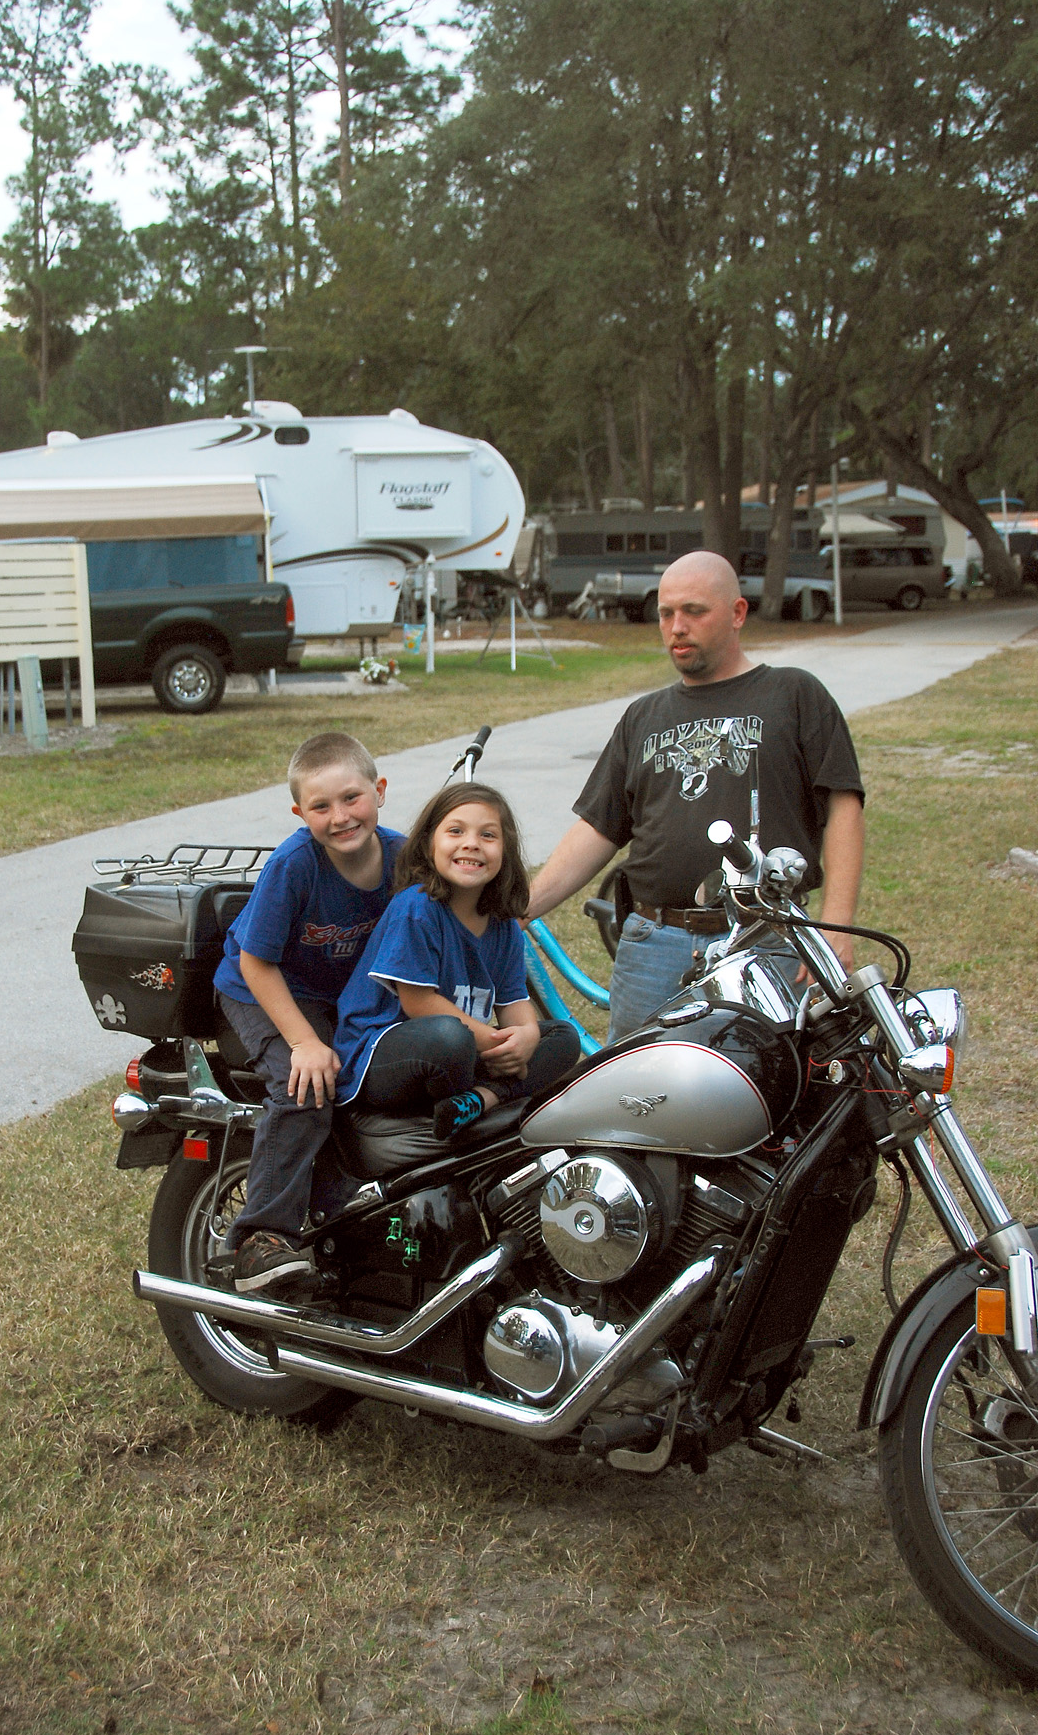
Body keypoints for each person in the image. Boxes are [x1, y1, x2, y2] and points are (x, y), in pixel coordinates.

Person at [528, 550, 866, 1043]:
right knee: (638, 1093)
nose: (677, 626)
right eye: (666, 613)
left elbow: (844, 809)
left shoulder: (794, 694)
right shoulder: (643, 717)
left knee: (769, 1090)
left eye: (694, 611)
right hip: (651, 943)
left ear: (737, 613)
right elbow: (599, 828)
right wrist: (523, 907)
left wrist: (837, 927)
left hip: (767, 938)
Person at [213, 732, 403, 1294]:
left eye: (352, 798)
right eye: (321, 806)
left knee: (377, 1080)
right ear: (300, 813)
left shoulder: (403, 857)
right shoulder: (296, 864)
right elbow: (255, 962)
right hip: (263, 992)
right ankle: (260, 1237)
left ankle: (337, 1217)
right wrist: (303, 1042)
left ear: (381, 791)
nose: (341, 817)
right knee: (310, 1083)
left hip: (342, 996)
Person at [332, 784, 581, 1132]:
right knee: (451, 1038)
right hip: (383, 1055)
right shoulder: (416, 909)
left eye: (488, 835)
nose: (471, 843)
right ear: (428, 842)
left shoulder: (503, 923)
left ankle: (481, 1098)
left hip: (466, 1049)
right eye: (455, 831)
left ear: (505, 850)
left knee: (563, 1037)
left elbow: (513, 1000)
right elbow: (418, 1002)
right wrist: (498, 1044)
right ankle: (492, 1089)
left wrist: (525, 1037)